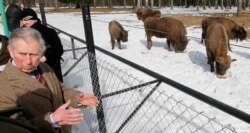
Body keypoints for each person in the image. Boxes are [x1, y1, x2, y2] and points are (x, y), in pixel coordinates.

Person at [0, 27, 100, 133]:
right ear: (11, 52)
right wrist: (52, 120)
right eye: (22, 54)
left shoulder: (44, 67)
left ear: (42, 53)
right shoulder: (3, 85)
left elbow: (59, 89)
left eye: (34, 54)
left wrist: (77, 98)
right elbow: (14, 127)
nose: (28, 61)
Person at [21, 8, 64, 82]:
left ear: (35, 19)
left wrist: (45, 57)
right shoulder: (23, 32)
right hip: (32, 71)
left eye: (27, 19)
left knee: (53, 90)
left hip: (50, 70)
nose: (25, 22)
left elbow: (58, 49)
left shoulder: (48, 32)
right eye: (23, 20)